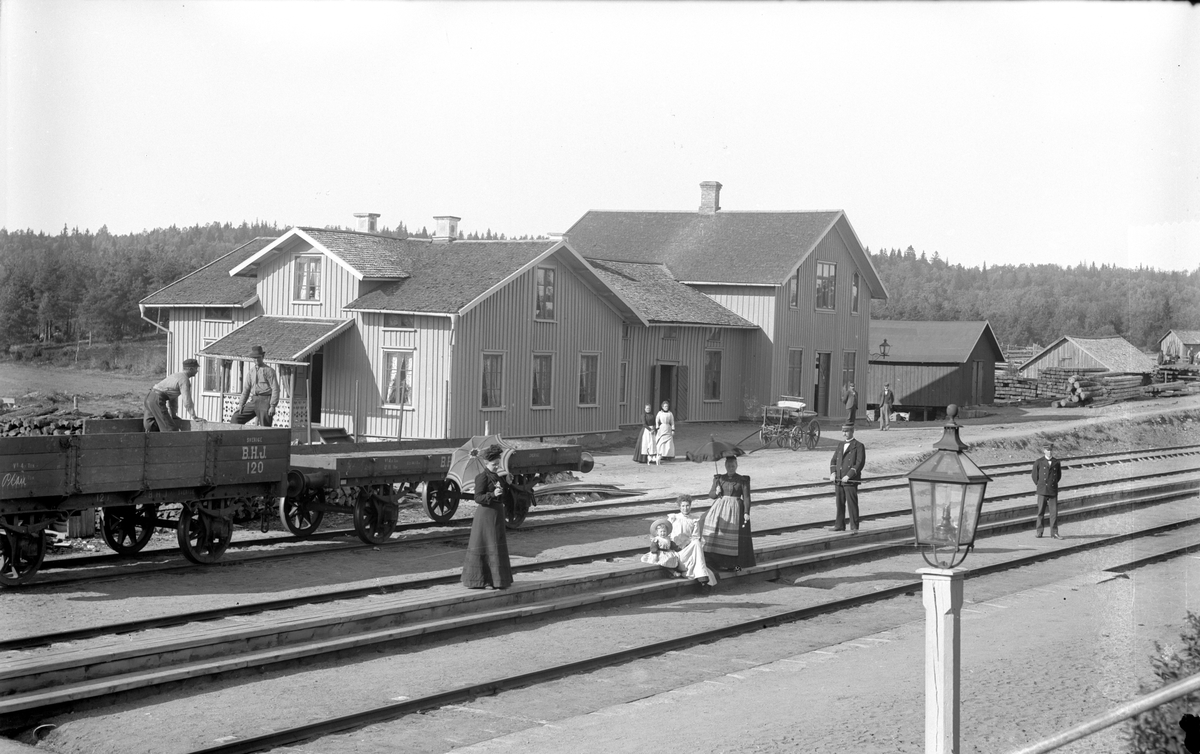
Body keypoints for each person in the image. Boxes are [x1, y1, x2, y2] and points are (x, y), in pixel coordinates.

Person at [461, 444, 513, 589]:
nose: (497, 466)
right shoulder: (481, 477)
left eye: (498, 463)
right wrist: (492, 494)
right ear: (486, 463)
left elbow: (503, 495)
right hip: (486, 516)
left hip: (497, 514)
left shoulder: (498, 477)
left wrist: (507, 484)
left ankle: (498, 580)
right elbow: (477, 498)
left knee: (496, 545)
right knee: (487, 545)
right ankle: (482, 581)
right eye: (494, 464)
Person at [701, 455, 756, 571]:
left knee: (734, 537)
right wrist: (716, 492)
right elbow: (711, 495)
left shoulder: (743, 480)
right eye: (729, 466)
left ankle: (734, 565)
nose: (731, 468)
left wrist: (746, 512)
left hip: (736, 509)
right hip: (720, 509)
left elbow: (746, 497)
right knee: (715, 531)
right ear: (725, 466)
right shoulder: (719, 479)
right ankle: (715, 562)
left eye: (733, 466)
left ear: (736, 466)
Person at [668, 494, 717, 585]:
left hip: (689, 550)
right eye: (683, 506)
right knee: (696, 545)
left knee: (696, 542)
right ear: (679, 507)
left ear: (690, 506)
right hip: (677, 551)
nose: (685, 508)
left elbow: (695, 537)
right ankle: (701, 576)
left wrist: (687, 543)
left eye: (687, 506)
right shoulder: (673, 518)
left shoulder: (694, 520)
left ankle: (702, 578)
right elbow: (667, 535)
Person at [143, 359, 203, 432]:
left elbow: (172, 398)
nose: (197, 371)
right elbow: (187, 401)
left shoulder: (177, 375)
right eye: (196, 368)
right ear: (190, 369)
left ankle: (149, 439)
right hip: (157, 399)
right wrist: (194, 416)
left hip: (149, 396)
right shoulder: (184, 380)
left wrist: (173, 415)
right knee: (170, 429)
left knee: (152, 426)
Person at [829, 424, 865, 532]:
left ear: (852, 431)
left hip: (850, 480)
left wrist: (849, 475)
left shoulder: (859, 446)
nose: (844, 433)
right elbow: (833, 460)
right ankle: (839, 525)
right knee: (839, 503)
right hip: (839, 479)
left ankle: (854, 527)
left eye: (847, 431)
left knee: (852, 504)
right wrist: (833, 473)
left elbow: (859, 463)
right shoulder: (840, 444)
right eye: (843, 431)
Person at [232, 345, 280, 426]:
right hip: (254, 400)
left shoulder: (269, 371)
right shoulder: (251, 372)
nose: (256, 360)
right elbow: (246, 389)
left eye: (258, 357)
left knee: (265, 426)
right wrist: (241, 404)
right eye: (254, 358)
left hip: (265, 401)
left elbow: (275, 389)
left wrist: (272, 406)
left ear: (262, 357)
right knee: (236, 418)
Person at [1032, 441, 1063, 539]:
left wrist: (1052, 484)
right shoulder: (1039, 462)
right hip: (1042, 490)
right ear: (1044, 451)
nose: (1049, 452)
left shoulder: (1056, 462)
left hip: (1052, 490)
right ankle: (1039, 532)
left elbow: (1058, 476)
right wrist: (1040, 485)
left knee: (1054, 512)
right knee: (1040, 512)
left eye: (1051, 450)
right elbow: (1034, 476)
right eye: (1047, 450)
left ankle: (1054, 533)